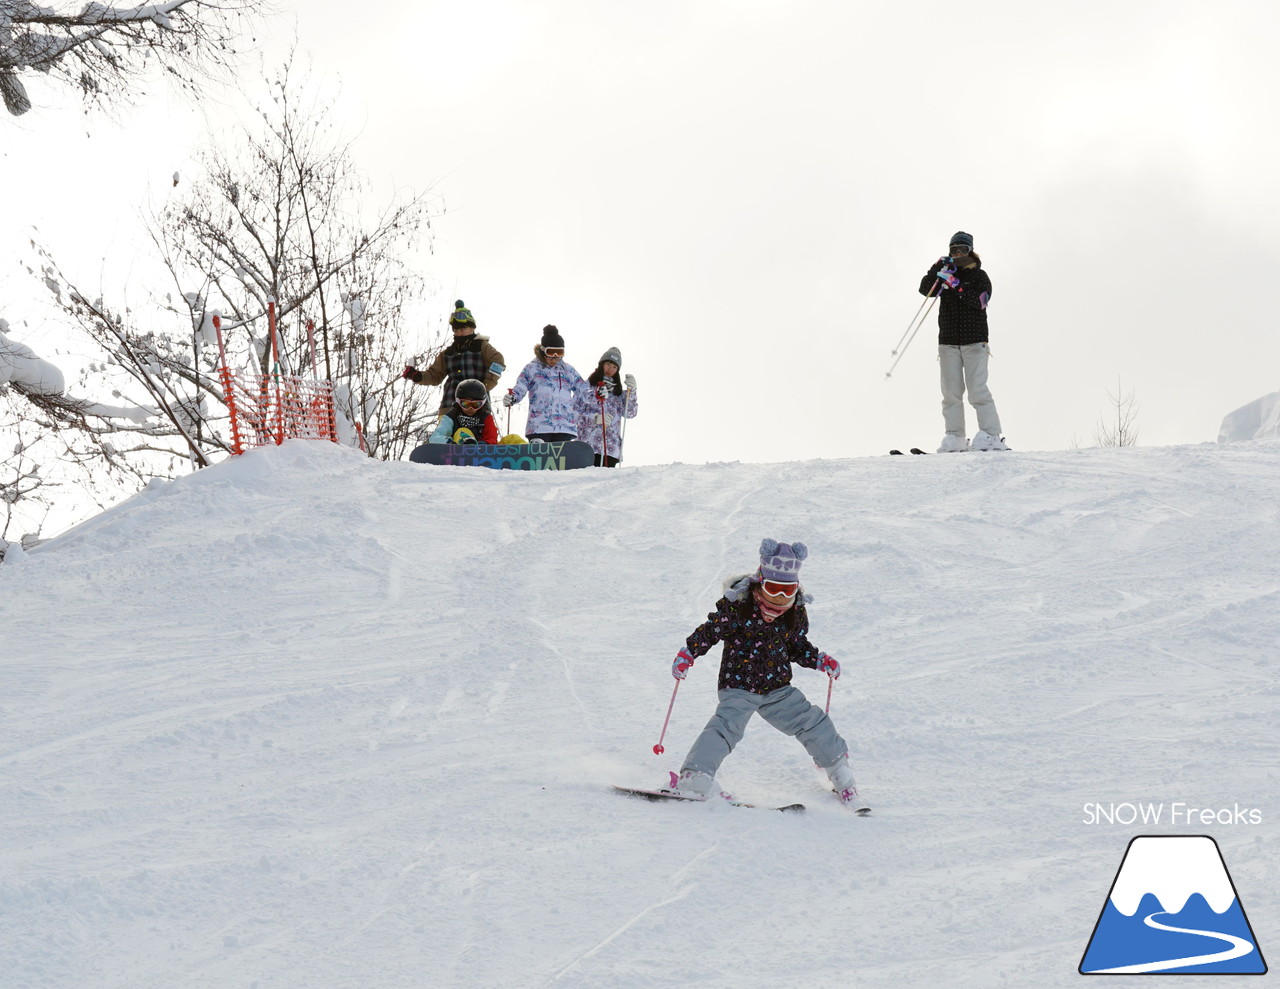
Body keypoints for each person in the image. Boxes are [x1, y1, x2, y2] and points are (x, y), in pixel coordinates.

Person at [666, 539, 870, 813]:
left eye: (787, 591)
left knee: (813, 721)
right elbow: (710, 631)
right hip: (739, 684)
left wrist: (820, 660)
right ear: (760, 582)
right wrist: (688, 653)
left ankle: (841, 775)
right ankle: (695, 777)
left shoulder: (793, 613)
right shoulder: (738, 608)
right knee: (727, 726)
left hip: (777, 688)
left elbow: (797, 646)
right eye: (773, 589)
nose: (780, 598)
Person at [918, 231, 1009, 452]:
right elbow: (925, 289)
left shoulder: (979, 276)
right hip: (948, 341)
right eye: (953, 250)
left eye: (963, 249)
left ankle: (990, 435)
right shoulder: (944, 275)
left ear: (971, 251)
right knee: (951, 393)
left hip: (974, 341)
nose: (958, 254)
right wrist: (938, 267)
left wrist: (957, 285)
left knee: (977, 389)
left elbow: (980, 301)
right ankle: (955, 437)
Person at [402, 300, 506, 414]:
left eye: (462, 329)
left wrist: (485, 386)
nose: (459, 333)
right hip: (450, 407)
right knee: (444, 432)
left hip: (477, 408)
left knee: (479, 432)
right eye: (456, 330)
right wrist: (417, 376)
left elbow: (498, 361)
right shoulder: (448, 353)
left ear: (472, 328)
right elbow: (434, 375)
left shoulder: (481, 347)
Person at [502, 325, 587, 442]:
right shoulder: (532, 368)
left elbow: (583, 389)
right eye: (551, 352)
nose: (555, 358)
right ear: (543, 350)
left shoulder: (568, 370)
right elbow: (521, 385)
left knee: (560, 459)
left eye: (559, 353)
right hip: (539, 426)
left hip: (564, 426)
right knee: (542, 458)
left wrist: (598, 394)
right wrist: (513, 397)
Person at [576, 346, 638, 467]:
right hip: (588, 445)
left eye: (615, 367)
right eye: (608, 364)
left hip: (611, 449)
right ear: (602, 364)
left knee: (606, 484)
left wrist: (633, 391)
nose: (610, 369)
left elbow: (630, 413)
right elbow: (573, 412)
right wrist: (594, 419)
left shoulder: (617, 393)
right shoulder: (587, 386)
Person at [428, 379, 500, 444]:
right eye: (465, 404)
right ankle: (466, 447)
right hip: (457, 453)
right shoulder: (451, 417)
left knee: (511, 438)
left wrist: (483, 445)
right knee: (463, 432)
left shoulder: (486, 418)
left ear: (483, 404)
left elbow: (492, 438)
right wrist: (449, 443)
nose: (470, 408)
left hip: (484, 452)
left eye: (476, 404)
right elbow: (435, 437)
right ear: (458, 402)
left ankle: (509, 456)